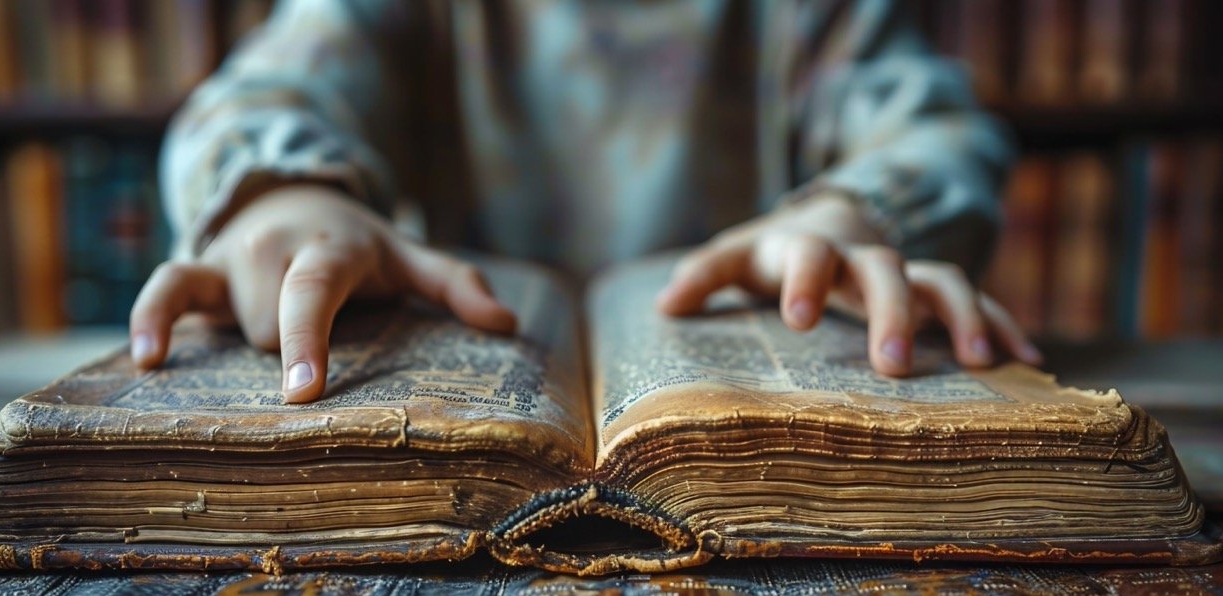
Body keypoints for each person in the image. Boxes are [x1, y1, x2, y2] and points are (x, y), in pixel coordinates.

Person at [129, 0, 1042, 404]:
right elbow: (262, 97)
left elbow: (939, 132)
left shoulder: (813, 12)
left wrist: (848, 217)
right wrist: (283, 192)